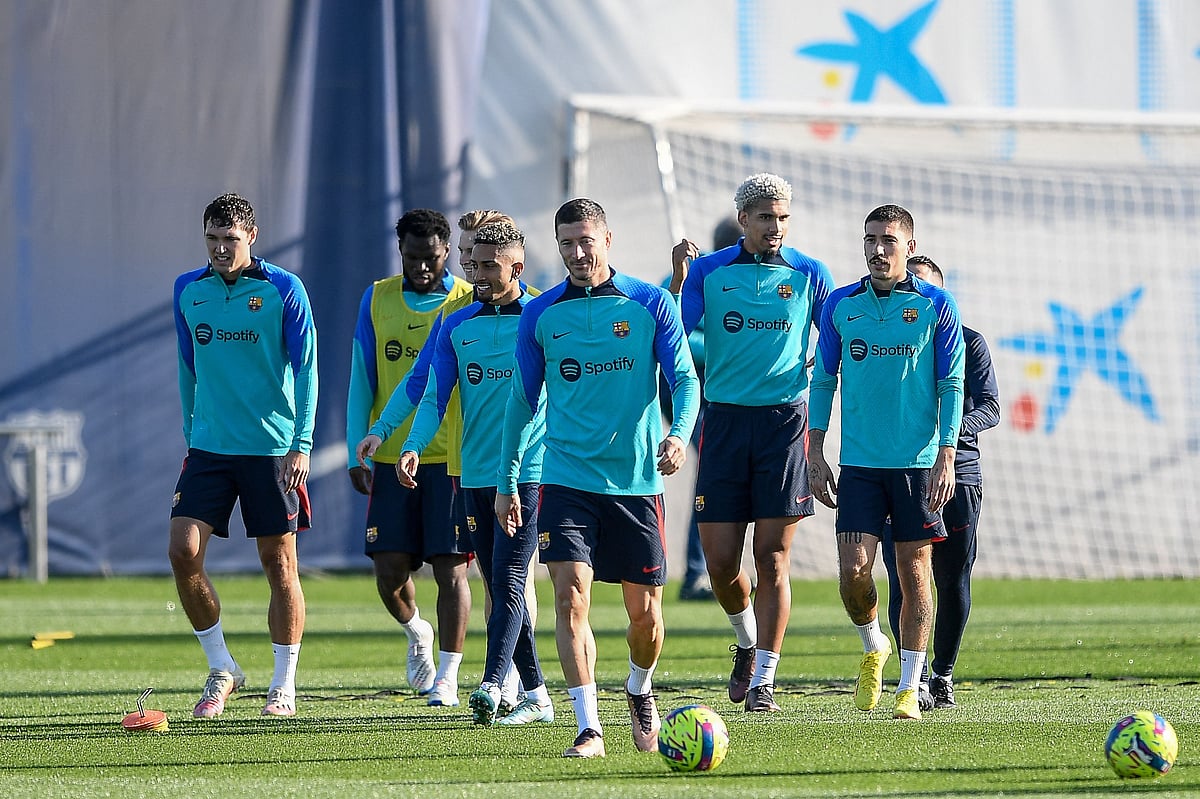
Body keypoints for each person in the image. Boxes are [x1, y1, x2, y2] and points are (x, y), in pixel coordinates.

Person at [496, 198, 700, 758]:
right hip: (564, 478)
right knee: (570, 598)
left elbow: (684, 379)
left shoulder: (649, 303)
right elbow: (521, 399)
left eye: (587, 241)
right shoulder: (542, 314)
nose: (577, 253)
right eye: (566, 244)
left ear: (608, 239)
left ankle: (638, 686)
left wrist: (678, 433)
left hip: (635, 483)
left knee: (646, 615)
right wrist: (508, 477)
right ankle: (588, 725)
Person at [368, 208, 541, 713]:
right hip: (471, 471)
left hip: (529, 472)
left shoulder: (543, 315)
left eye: (489, 265)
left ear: (517, 265)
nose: (479, 274)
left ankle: (492, 681)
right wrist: (407, 444)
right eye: (475, 264)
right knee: (499, 583)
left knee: (510, 581)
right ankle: (536, 694)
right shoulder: (456, 323)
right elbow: (432, 393)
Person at [677, 174, 834, 712]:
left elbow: (832, 343)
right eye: (766, 217)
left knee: (772, 558)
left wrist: (820, 412)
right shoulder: (708, 272)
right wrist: (678, 284)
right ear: (742, 219)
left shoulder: (810, 273)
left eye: (784, 217)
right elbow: (675, 340)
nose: (776, 227)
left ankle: (765, 678)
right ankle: (746, 642)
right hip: (721, 423)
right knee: (721, 562)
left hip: (783, 425)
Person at [808, 204, 966, 721]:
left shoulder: (937, 306)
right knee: (853, 575)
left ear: (910, 248)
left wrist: (946, 454)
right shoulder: (839, 306)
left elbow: (950, 383)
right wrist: (815, 450)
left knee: (914, 571)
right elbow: (824, 381)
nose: (878, 249)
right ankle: (874, 643)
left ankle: (910, 685)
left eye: (889, 241)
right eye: (870, 239)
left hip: (917, 464)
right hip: (859, 465)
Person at [169, 192, 318, 718]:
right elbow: (189, 366)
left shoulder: (284, 290)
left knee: (279, 565)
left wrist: (301, 443)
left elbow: (306, 370)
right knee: (183, 552)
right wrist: (192, 431)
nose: (220, 250)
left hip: (270, 450)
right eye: (211, 239)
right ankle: (222, 666)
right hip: (208, 448)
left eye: (230, 240)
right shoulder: (189, 290)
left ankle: (283, 683)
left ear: (251, 237)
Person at [346, 208, 474, 706]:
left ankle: (447, 675)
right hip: (390, 457)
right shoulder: (377, 298)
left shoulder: (468, 299)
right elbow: (363, 376)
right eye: (413, 257)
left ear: (448, 252)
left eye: (433, 257)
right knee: (389, 571)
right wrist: (361, 444)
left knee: (451, 570)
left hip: (450, 460)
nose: (422, 267)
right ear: (401, 251)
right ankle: (417, 631)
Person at [880, 255, 999, 710]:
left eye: (926, 289)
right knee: (904, 578)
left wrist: (948, 432)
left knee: (951, 578)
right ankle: (915, 674)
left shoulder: (970, 343)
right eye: (911, 288)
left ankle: (943, 674)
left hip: (959, 472)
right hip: (903, 471)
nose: (918, 297)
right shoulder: (888, 340)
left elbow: (991, 407)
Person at [667, 215, 741, 602]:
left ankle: (708, 570)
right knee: (712, 471)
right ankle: (698, 572)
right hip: (689, 388)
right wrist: (724, 353)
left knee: (717, 472)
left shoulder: (748, 279)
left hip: (721, 390)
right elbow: (670, 328)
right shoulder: (698, 273)